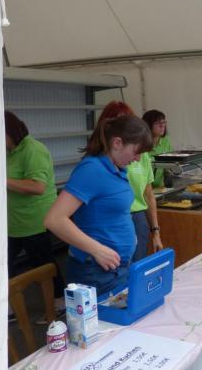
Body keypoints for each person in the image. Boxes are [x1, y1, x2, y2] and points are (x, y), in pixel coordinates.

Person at [43, 115, 153, 294]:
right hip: (95, 272)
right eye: (136, 151)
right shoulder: (92, 169)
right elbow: (54, 219)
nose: (138, 159)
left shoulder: (118, 169)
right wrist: (97, 250)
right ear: (117, 143)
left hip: (118, 269)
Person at [4, 111, 66, 316]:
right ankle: (9, 307)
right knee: (4, 264)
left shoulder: (33, 149)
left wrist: (2, 180)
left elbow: (37, 186)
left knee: (44, 265)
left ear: (9, 131)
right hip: (13, 222)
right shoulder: (8, 152)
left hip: (35, 221)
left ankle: (59, 303)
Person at [92, 102, 164, 263]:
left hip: (137, 219)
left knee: (134, 269)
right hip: (111, 222)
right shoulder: (96, 165)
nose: (136, 158)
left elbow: (148, 195)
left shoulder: (140, 156)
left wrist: (156, 232)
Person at [142, 109, 172, 188]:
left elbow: (169, 165)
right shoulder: (141, 144)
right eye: (157, 123)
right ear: (147, 125)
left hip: (160, 187)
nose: (162, 126)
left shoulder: (166, 140)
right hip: (144, 187)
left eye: (163, 122)